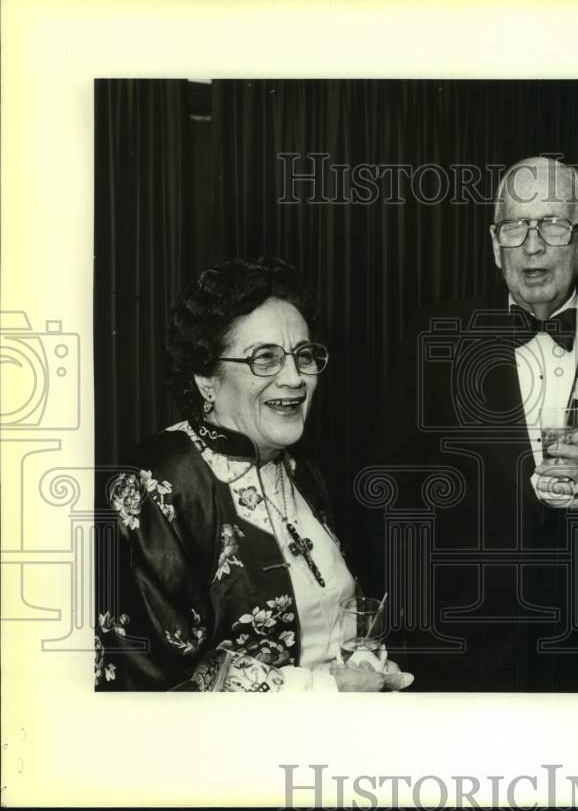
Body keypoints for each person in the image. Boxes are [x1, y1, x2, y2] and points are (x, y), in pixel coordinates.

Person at [369, 157, 578, 691]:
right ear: (495, 244)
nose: (533, 245)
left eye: (553, 224)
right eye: (515, 226)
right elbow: (391, 495)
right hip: (455, 663)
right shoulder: (437, 338)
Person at [95, 257, 409, 692]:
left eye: (304, 356)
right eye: (265, 358)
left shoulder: (301, 469)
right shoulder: (158, 483)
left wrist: (363, 668)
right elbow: (151, 681)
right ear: (207, 376)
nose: (294, 378)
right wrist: (326, 694)